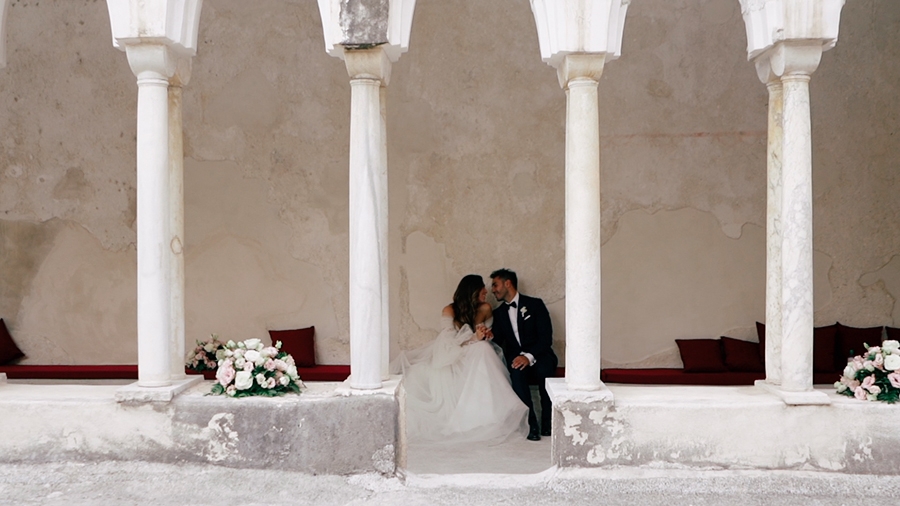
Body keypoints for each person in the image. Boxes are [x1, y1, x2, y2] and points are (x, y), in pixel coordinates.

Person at [390, 274, 528, 444]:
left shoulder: (485, 308)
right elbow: (448, 344)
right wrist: (474, 339)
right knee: (480, 349)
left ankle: (490, 415)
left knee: (484, 348)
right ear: (473, 290)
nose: (486, 291)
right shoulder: (449, 310)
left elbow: (488, 337)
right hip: (453, 355)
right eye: (483, 288)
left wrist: (487, 335)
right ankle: (481, 415)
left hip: (478, 352)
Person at [490, 268, 558, 441]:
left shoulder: (535, 305)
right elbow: (497, 340)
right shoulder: (498, 313)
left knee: (544, 371)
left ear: (508, 283)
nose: (493, 289)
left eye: (495, 285)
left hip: (540, 354)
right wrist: (488, 336)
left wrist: (528, 357)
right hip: (517, 359)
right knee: (516, 376)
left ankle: (548, 423)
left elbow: (546, 338)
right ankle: (531, 425)